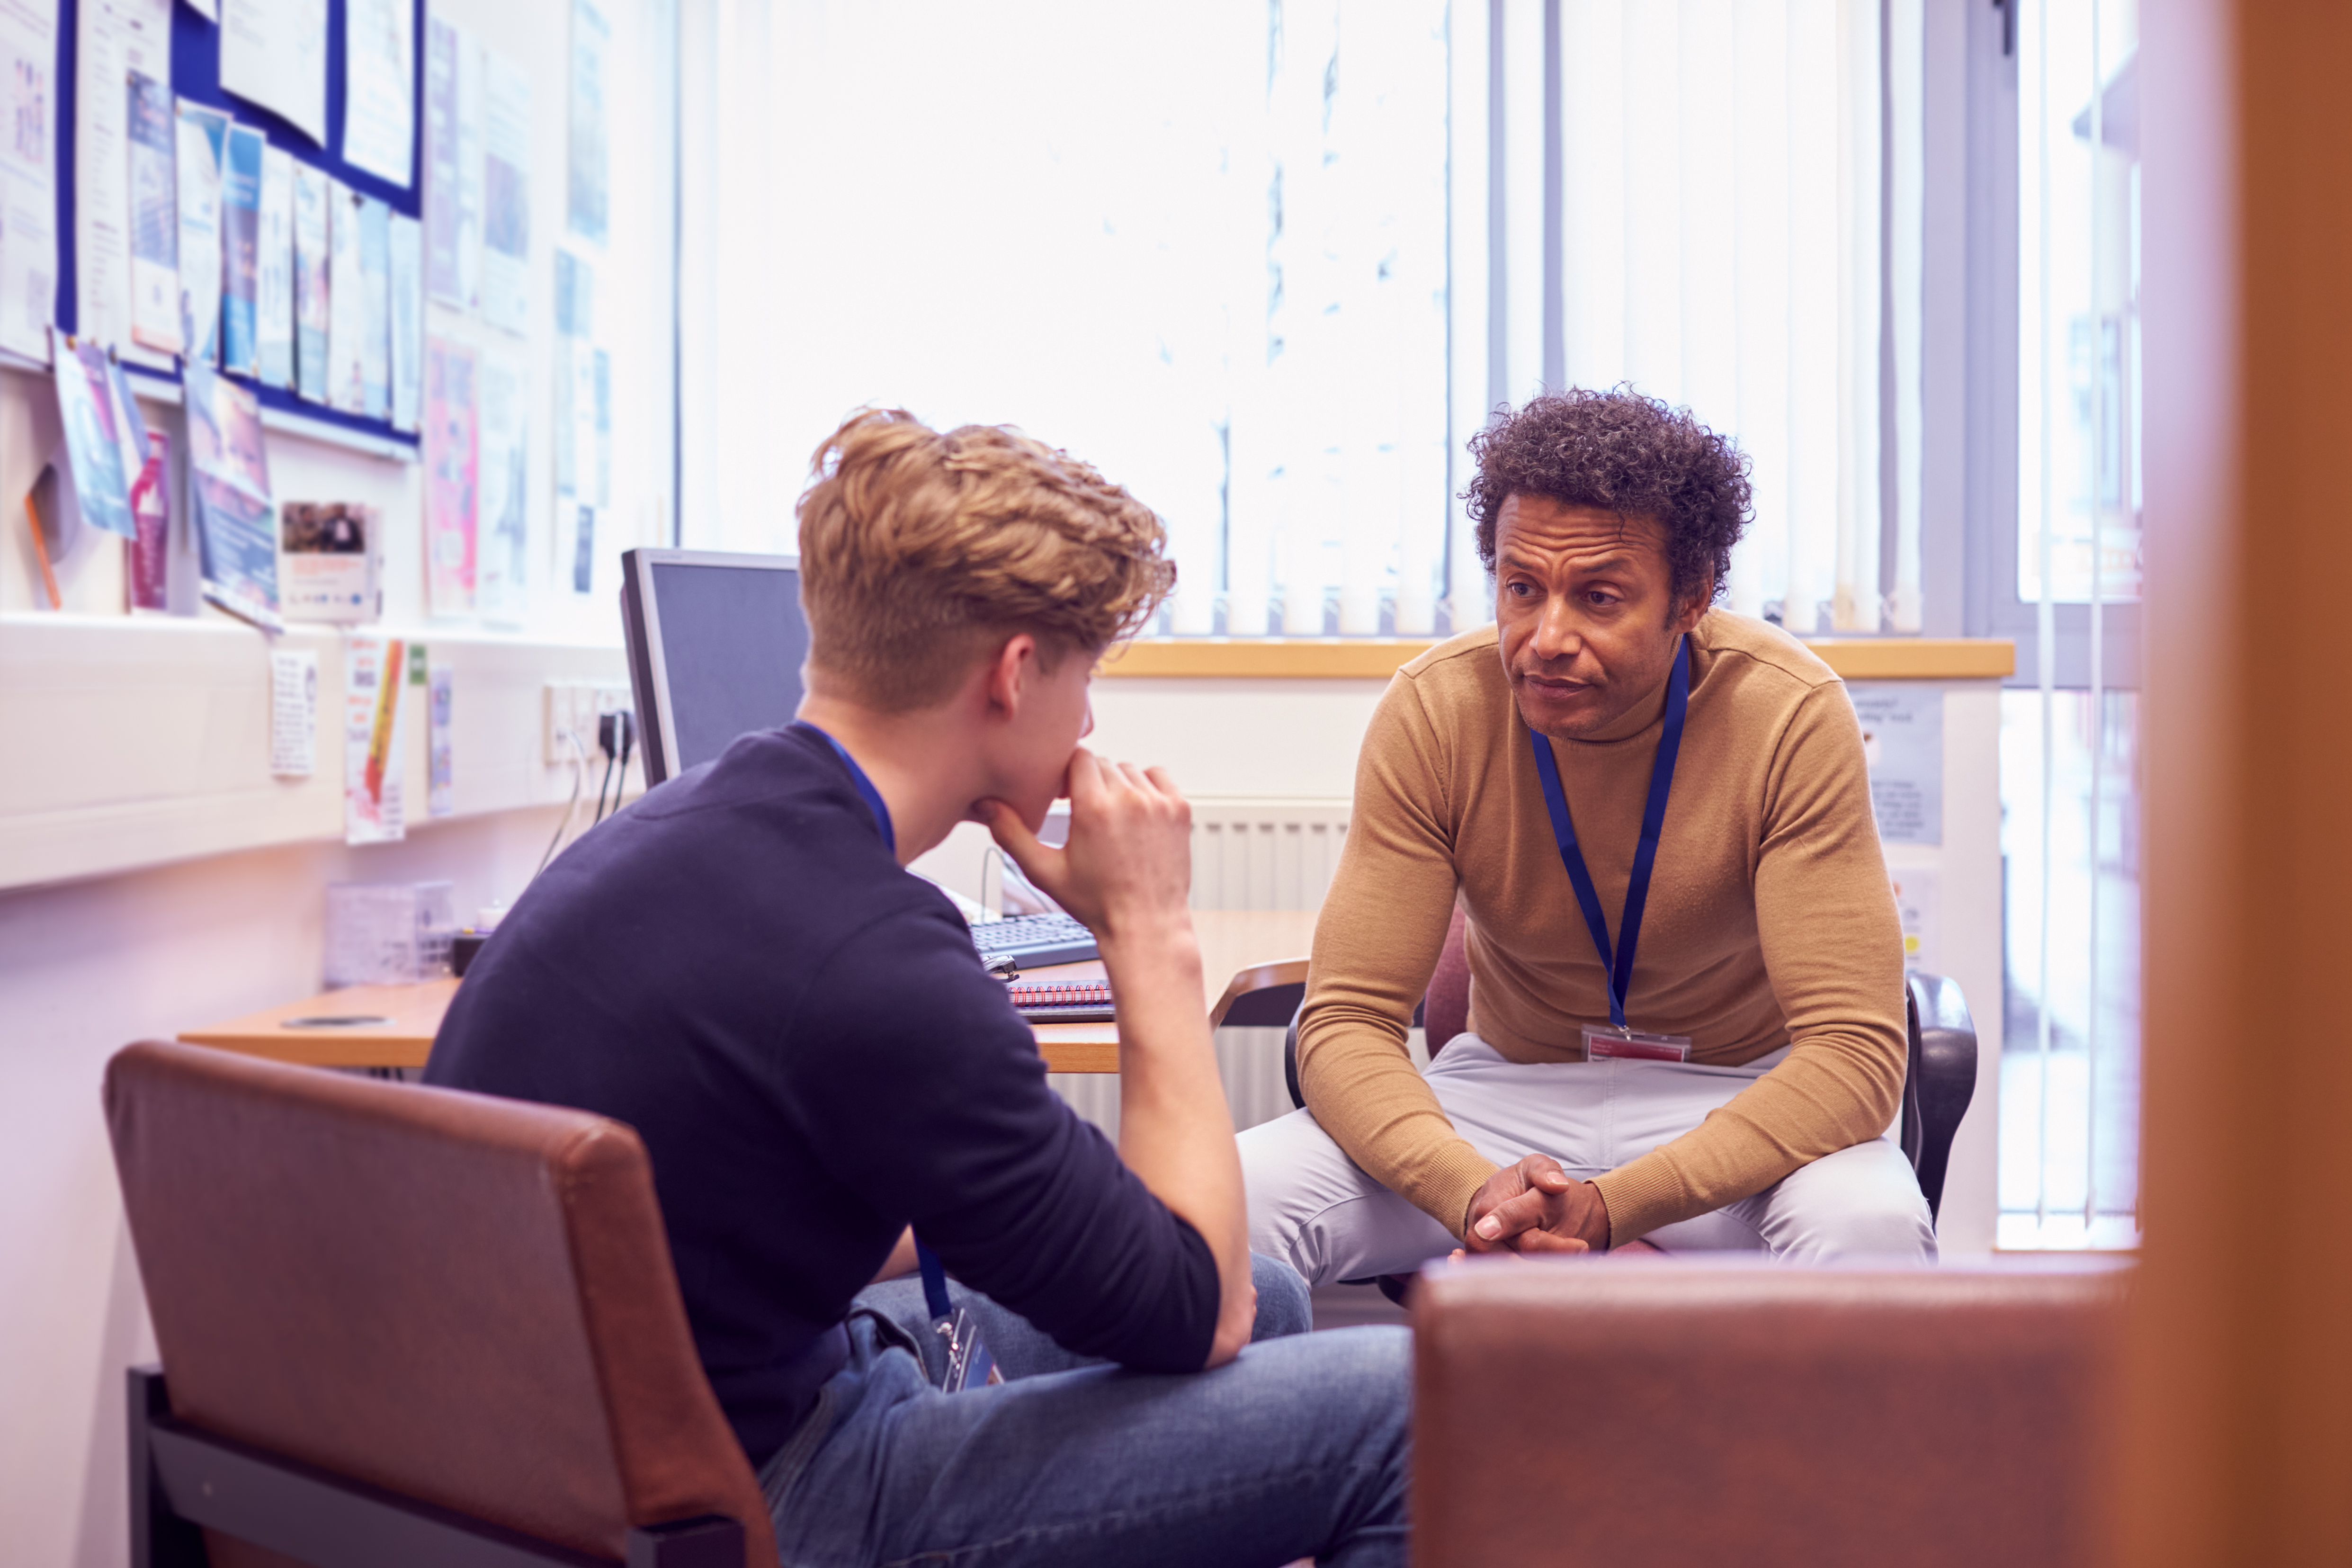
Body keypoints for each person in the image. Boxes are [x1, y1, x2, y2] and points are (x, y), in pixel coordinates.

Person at [426, 408, 1408, 1568]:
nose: (1090, 723)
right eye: (1086, 677)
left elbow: (777, 1205)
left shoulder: (684, 830)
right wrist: (1147, 927)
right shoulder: (875, 960)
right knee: (1408, 1400)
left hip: (561, 1463)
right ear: (1016, 673)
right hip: (755, 1504)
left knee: (1280, 1296)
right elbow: (1197, 1316)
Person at [1239, 388, 1936, 1284]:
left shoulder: (1788, 714)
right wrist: (1473, 1190)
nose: (1546, 639)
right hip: (1503, 1100)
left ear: (1691, 599)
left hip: (1738, 1101)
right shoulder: (1437, 709)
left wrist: (1617, 1206)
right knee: (1224, 1208)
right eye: (1521, 589)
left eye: (1599, 597)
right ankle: (1306, 1431)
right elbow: (1344, 1022)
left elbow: (1854, 1052)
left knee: (1870, 1232)